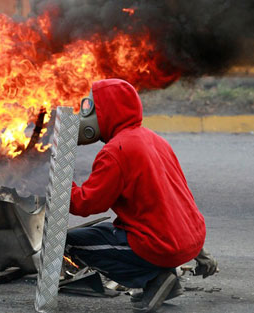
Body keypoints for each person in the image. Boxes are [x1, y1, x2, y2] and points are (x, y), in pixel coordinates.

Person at [66, 79, 218, 313]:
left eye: (89, 108)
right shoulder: (153, 139)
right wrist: (201, 253)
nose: (85, 115)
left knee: (73, 243)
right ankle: (163, 277)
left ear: (108, 111)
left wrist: (61, 182)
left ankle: (154, 279)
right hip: (187, 239)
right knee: (105, 231)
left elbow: (85, 203)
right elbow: (177, 201)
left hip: (160, 246)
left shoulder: (115, 151)